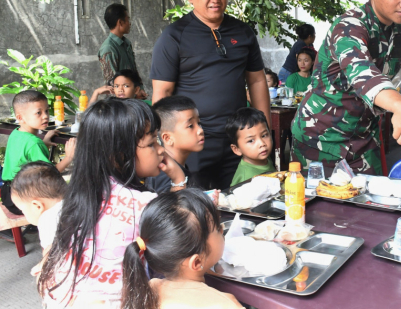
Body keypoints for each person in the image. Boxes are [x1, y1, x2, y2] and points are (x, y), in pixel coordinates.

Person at [38, 98, 186, 307]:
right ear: (119, 155)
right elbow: (183, 233)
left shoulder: (72, 199)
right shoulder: (142, 204)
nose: (161, 150)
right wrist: (179, 180)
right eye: (152, 143)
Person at [291, 0, 401, 174]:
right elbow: (361, 72)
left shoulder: (398, 34)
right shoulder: (349, 25)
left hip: (365, 140)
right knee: (322, 208)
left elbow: (383, 81)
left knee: (371, 206)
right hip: (322, 140)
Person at [151, 0, 271, 190]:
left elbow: (256, 81)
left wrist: (262, 131)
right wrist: (165, 143)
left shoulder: (243, 32)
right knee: (197, 210)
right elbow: (162, 94)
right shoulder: (174, 36)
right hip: (193, 142)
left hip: (239, 138)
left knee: (245, 203)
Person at [121, 189, 243, 309]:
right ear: (197, 262)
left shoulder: (148, 290)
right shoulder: (225, 304)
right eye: (217, 229)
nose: (222, 230)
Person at [1, 91, 76, 215]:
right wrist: (68, 158)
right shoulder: (34, 143)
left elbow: (25, 155)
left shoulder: (16, 133)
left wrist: (44, 142)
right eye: (38, 113)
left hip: (8, 194)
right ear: (20, 117)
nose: (45, 116)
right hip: (23, 200)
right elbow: (50, 176)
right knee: (70, 196)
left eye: (46, 111)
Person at [10, 162, 65, 276]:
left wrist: (42, 265)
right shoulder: (76, 202)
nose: (23, 213)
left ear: (37, 206)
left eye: (22, 210)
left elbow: (52, 251)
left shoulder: (47, 219)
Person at [145, 96, 204, 194]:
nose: (200, 130)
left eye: (199, 123)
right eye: (190, 126)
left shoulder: (179, 166)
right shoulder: (166, 174)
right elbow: (167, 208)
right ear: (168, 138)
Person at [98, 3, 144, 95]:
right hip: (121, 102)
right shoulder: (108, 48)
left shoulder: (126, 43)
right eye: (128, 19)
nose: (129, 23)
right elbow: (111, 82)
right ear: (120, 22)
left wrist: (139, 89)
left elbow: (133, 71)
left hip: (133, 97)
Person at [227, 108, 275, 186]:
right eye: (251, 141)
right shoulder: (246, 179)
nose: (262, 143)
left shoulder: (265, 158)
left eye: (264, 135)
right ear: (236, 149)